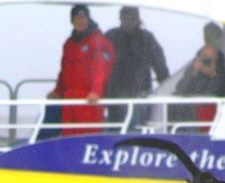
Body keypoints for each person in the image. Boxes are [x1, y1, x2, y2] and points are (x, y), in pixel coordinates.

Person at [49, 5, 114, 137]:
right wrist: (58, 90)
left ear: (88, 19)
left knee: (88, 137)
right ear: (72, 20)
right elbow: (64, 71)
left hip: (88, 99)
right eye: (76, 18)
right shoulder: (69, 43)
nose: (80, 21)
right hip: (69, 98)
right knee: (68, 136)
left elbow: (101, 69)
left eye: (83, 18)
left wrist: (96, 91)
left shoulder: (98, 41)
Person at [104, 6, 168, 126]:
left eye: (132, 18)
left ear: (138, 19)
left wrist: (167, 87)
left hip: (139, 95)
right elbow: (100, 66)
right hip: (115, 97)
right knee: (116, 131)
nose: (129, 22)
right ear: (120, 19)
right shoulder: (110, 37)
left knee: (134, 132)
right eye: (126, 18)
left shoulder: (147, 39)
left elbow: (160, 68)